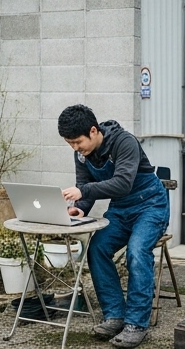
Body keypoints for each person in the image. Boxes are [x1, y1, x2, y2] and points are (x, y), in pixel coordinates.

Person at [58, 104, 169, 348]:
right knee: (97, 248)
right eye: (70, 144)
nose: (75, 148)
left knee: (137, 252)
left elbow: (122, 184)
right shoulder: (81, 154)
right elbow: (84, 186)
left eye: (77, 142)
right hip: (120, 210)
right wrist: (80, 208)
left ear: (94, 131)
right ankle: (115, 315)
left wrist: (83, 191)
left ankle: (137, 323)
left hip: (150, 206)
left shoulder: (124, 142)